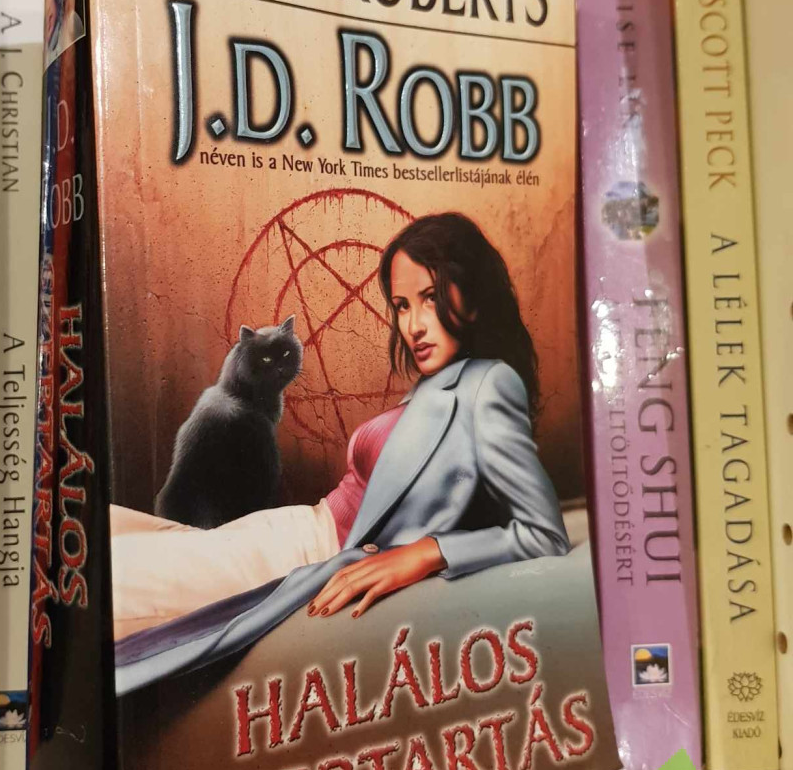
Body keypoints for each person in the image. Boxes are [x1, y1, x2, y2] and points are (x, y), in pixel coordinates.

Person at [111, 212, 569, 692]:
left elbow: (543, 533)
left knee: (120, 582)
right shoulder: (443, 382)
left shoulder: (489, 384)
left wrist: (429, 552)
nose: (413, 325)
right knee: (112, 535)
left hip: (303, 559)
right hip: (292, 530)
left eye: (430, 297)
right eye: (402, 305)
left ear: (472, 294)